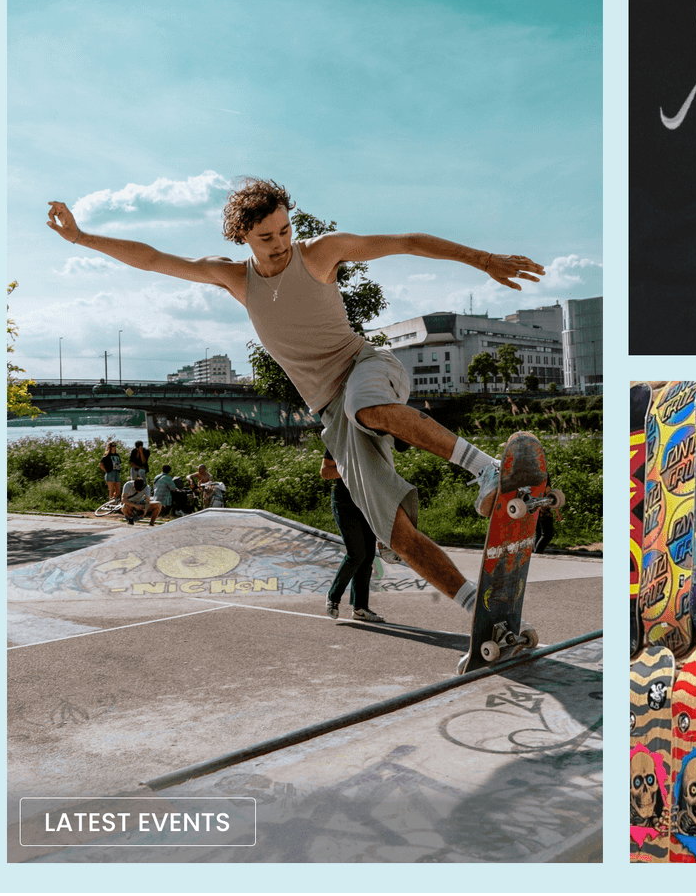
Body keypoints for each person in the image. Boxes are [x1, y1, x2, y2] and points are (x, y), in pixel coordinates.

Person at [47, 177, 541, 633]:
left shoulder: (321, 254)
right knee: (393, 532)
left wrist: (483, 259)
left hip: (368, 367)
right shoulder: (234, 279)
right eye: (267, 237)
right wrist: (80, 238)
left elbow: (407, 241)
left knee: (363, 404)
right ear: (243, 237)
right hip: (332, 411)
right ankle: (481, 611)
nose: (281, 243)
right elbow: (154, 259)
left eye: (285, 229)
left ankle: (486, 469)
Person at [323, 452, 385, 623]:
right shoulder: (337, 439)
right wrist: (351, 471)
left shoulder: (369, 440)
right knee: (356, 554)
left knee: (368, 557)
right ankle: (333, 597)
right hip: (344, 504)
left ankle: (360, 608)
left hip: (366, 503)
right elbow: (325, 472)